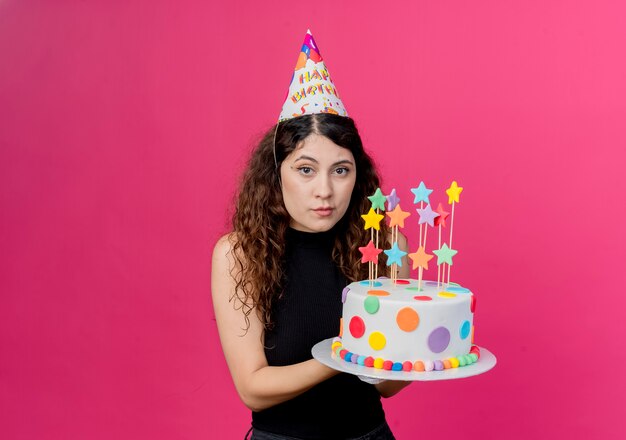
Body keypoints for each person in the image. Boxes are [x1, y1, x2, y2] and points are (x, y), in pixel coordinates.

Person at [211, 31, 411, 440]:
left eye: (341, 170)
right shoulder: (239, 254)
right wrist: (344, 353)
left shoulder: (387, 247)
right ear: (276, 173)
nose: (325, 190)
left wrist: (420, 352)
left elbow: (388, 386)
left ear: (358, 176)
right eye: (306, 169)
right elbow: (253, 388)